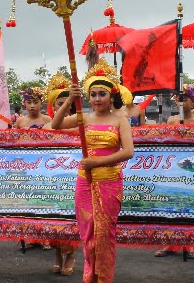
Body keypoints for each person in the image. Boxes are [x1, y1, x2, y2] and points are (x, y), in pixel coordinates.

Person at [51, 58, 134, 283]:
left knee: (104, 235)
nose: (97, 99)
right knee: (88, 233)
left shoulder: (120, 121)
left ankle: (104, 278)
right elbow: (55, 125)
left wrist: (97, 163)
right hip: (84, 183)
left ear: (111, 96)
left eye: (102, 94)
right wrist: (69, 99)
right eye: (93, 94)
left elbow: (128, 152)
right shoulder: (83, 118)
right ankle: (90, 277)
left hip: (109, 182)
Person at [155, 84, 194, 260]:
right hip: (175, 169)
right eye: (178, 99)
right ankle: (170, 242)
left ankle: (189, 243)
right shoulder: (171, 121)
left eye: (185, 99)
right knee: (173, 204)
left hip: (193, 170)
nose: (181, 102)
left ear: (193, 102)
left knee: (191, 205)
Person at [43, 71, 78, 275]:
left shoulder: (78, 125)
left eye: (68, 103)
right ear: (53, 106)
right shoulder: (48, 127)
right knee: (53, 220)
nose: (64, 107)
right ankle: (57, 254)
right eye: (60, 103)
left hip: (73, 179)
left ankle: (71, 254)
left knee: (72, 219)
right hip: (52, 180)